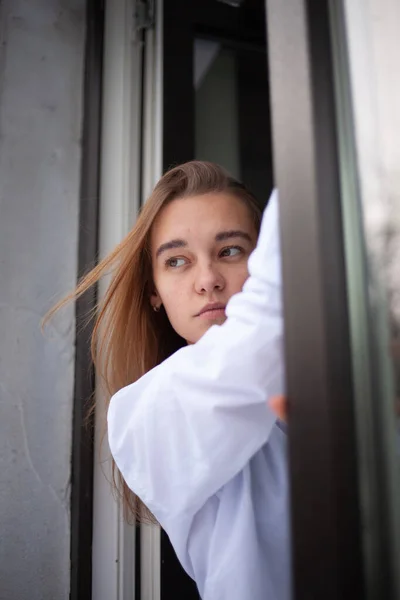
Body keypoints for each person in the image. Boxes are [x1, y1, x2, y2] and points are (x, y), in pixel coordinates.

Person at [48, 161, 290, 599]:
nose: (208, 281)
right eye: (177, 261)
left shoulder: (334, 387)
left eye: (231, 250)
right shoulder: (146, 411)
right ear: (154, 291)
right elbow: (264, 322)